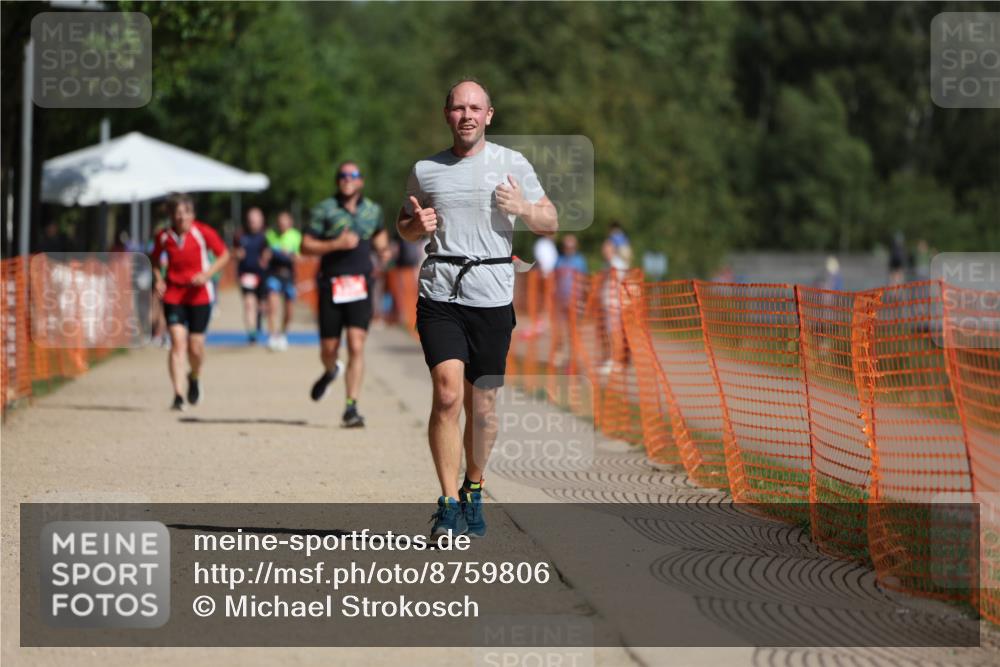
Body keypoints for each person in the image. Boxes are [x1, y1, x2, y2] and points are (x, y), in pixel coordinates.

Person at [396, 79, 558, 542]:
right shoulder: (426, 170)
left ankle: (474, 485)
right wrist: (414, 224)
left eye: (475, 108)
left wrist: (523, 206)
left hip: (491, 296)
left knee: (481, 407)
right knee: (448, 395)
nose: (466, 115)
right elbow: (405, 226)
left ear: (489, 115)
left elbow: (550, 221)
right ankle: (447, 501)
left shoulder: (513, 164)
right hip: (440, 292)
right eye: (457, 107)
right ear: (446, 114)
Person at [302, 161, 390, 427]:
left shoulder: (372, 210)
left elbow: (380, 236)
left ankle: (351, 407)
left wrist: (383, 252)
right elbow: (305, 245)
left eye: (353, 175)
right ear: (337, 181)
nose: (347, 179)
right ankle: (331, 370)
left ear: (361, 181)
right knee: (329, 348)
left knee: (356, 344)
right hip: (331, 284)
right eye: (342, 176)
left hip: (360, 285)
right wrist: (335, 244)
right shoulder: (325, 209)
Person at [150, 193, 230, 411]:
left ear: (192, 214)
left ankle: (194, 376)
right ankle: (177, 394)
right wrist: (158, 279)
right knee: (177, 342)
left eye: (186, 213)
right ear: (171, 215)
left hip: (199, 295)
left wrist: (207, 274)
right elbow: (155, 259)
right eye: (177, 213)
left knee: (195, 347)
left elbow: (224, 255)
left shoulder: (203, 232)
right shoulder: (164, 237)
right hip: (174, 294)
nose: (181, 217)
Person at [265, 210, 303, 351]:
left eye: (284, 222)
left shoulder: (296, 236)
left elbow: (300, 258)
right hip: (273, 274)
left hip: (289, 276)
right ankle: (272, 335)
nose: (282, 225)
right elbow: (264, 254)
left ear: (290, 223)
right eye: (280, 222)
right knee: (272, 306)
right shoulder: (270, 235)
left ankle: (283, 333)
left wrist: (289, 254)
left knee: (289, 310)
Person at [234, 207, 270, 344]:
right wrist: (237, 254)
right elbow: (233, 252)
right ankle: (252, 333)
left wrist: (266, 258)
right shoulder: (240, 236)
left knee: (261, 305)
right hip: (246, 275)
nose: (253, 222)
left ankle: (259, 321)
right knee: (249, 303)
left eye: (256, 220)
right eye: (251, 220)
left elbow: (269, 252)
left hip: (262, 275)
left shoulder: (265, 237)